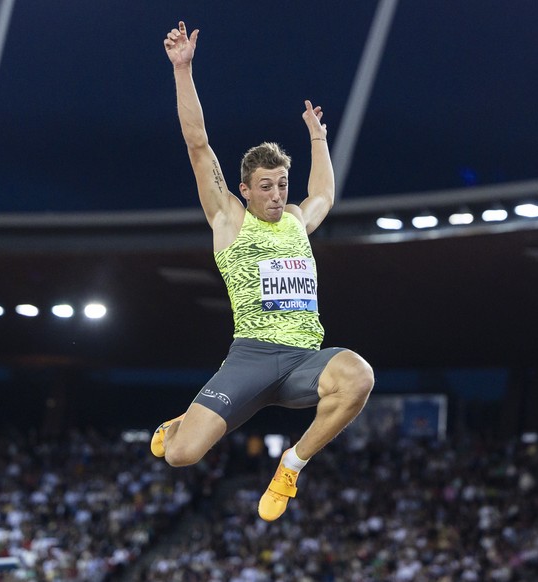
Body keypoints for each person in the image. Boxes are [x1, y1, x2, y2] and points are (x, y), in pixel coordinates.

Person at [152, 21, 374, 522]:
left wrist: (318, 137)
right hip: (251, 358)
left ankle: (290, 465)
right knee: (181, 455)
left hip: (303, 361)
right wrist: (183, 70)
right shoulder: (229, 219)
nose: (277, 195)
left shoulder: (296, 221)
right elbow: (197, 144)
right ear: (246, 189)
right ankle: (182, 423)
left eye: (282, 184)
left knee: (359, 375)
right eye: (267, 186)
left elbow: (324, 196)